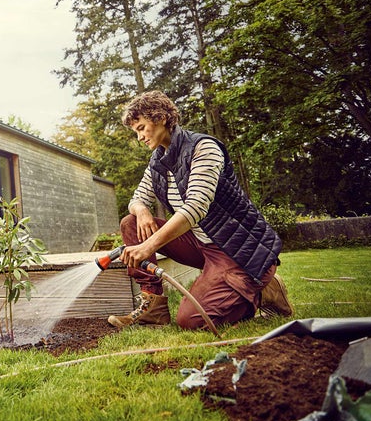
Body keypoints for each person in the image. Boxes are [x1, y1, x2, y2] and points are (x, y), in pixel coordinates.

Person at [108, 90, 293, 331]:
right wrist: (141, 210)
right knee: (130, 222)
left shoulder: (203, 148)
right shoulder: (158, 161)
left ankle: (264, 292)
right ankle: (153, 306)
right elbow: (137, 198)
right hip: (202, 245)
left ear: (161, 117)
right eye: (136, 132)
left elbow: (196, 206)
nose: (140, 136)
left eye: (142, 127)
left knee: (192, 320)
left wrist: (149, 245)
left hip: (236, 250)